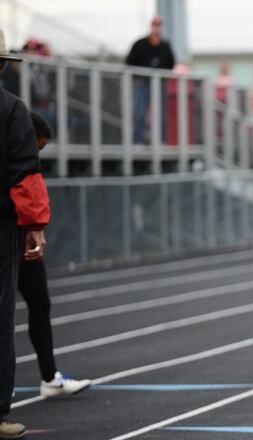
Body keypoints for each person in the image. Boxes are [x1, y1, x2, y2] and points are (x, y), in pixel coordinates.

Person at [19, 112, 91, 398]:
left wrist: (35, 227)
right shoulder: (17, 156)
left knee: (40, 303)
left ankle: (50, 378)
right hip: (11, 236)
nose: (39, 152)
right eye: (38, 145)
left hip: (24, 236)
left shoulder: (24, 159)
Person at [1, 30, 50, 440]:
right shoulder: (11, 110)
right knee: (1, 321)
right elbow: (24, 173)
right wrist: (35, 226)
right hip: (2, 229)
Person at [125, 16, 176, 144]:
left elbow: (171, 64)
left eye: (158, 24)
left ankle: (161, 141)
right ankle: (138, 142)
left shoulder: (165, 46)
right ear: (150, 26)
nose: (156, 27)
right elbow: (129, 62)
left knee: (161, 115)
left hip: (159, 84)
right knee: (139, 113)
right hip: (142, 83)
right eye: (154, 24)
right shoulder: (139, 44)